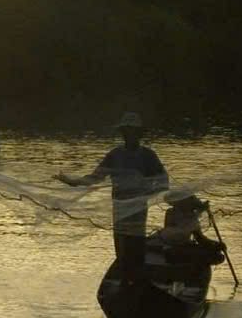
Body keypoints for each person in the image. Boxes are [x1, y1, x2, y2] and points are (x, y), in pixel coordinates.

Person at [55, 112, 169, 282]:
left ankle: (137, 280)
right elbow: (94, 178)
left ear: (138, 134)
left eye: (133, 131)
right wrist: (71, 181)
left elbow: (163, 182)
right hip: (119, 206)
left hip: (138, 208)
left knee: (136, 244)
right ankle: (126, 280)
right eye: (126, 131)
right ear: (123, 133)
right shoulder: (115, 155)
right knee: (121, 245)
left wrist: (147, 192)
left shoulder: (148, 156)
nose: (129, 135)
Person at [158, 192, 226, 266]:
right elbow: (199, 238)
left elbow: (200, 238)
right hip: (173, 248)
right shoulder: (173, 213)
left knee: (218, 255)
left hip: (183, 245)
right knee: (216, 256)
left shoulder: (189, 215)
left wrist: (216, 245)